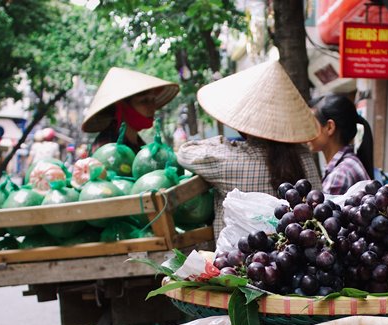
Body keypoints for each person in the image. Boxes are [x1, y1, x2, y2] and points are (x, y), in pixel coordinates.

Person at [177, 60, 322, 239]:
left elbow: (184, 152)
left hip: (238, 264)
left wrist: (223, 142)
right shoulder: (305, 157)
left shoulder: (228, 159)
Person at [82, 67, 180, 154]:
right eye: (144, 101)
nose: (152, 106)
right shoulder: (106, 144)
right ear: (123, 106)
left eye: (152, 100)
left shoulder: (138, 143)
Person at [307, 93, 373, 195]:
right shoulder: (347, 164)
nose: (306, 131)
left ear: (330, 127)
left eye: (311, 125)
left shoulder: (340, 175)